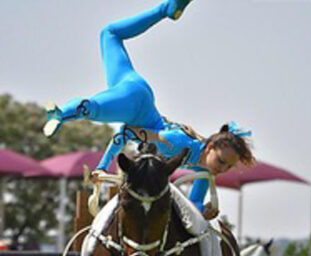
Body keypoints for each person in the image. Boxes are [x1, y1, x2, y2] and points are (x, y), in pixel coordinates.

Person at [43, 0, 255, 219]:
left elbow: (193, 208)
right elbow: (126, 133)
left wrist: (205, 214)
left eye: (228, 167)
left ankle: (167, 9)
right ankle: (61, 114)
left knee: (110, 34)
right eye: (221, 161)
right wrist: (102, 167)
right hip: (135, 102)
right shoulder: (178, 143)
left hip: (131, 87)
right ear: (210, 147)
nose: (222, 170)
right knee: (93, 109)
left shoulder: (202, 173)